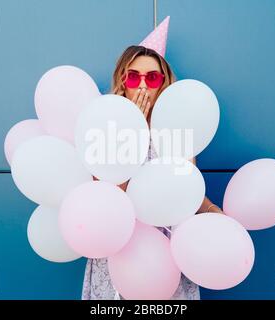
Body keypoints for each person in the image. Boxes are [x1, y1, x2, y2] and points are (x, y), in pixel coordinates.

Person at [81, 45, 223, 300]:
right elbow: (110, 198)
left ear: (163, 84)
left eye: (153, 77)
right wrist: (132, 126)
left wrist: (213, 210)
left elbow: (186, 191)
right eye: (134, 76)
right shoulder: (106, 129)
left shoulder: (176, 131)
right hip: (123, 251)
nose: (143, 86)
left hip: (168, 251)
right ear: (123, 83)